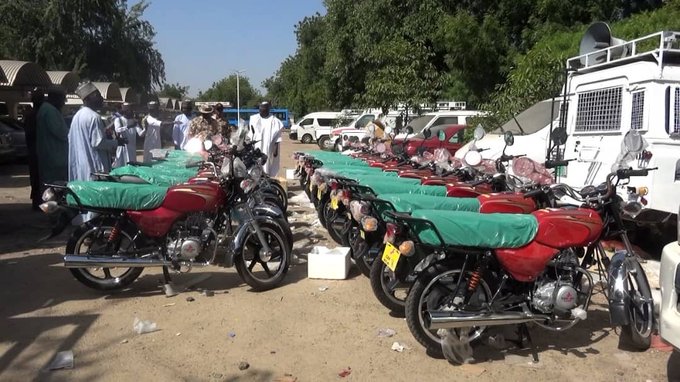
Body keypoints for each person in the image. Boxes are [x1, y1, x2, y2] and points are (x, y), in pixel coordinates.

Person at [68, 82, 119, 181]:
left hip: (82, 166)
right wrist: (117, 142)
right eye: (97, 96)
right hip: (94, 168)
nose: (101, 99)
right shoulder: (94, 117)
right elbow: (98, 143)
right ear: (87, 99)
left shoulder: (77, 116)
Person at [37, 86, 70, 184]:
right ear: (55, 98)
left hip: (50, 159)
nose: (63, 103)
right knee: (56, 189)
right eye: (62, 100)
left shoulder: (45, 109)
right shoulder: (50, 111)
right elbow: (63, 133)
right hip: (55, 160)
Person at [248, 101, 283, 177]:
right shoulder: (254, 119)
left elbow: (277, 138)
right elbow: (250, 134)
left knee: (266, 165)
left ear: (268, 109)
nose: (261, 111)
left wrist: (275, 149)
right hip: (256, 148)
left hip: (267, 149)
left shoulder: (275, 121)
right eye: (260, 109)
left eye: (263, 110)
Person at [24, 91, 43, 210]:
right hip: (36, 149)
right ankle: (37, 201)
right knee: (37, 177)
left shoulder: (33, 114)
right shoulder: (35, 115)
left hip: (34, 149)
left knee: (36, 177)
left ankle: (37, 201)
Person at [112, 103, 144, 168]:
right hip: (123, 147)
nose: (132, 112)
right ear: (125, 111)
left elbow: (140, 133)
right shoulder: (118, 120)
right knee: (121, 166)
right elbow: (117, 130)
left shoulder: (134, 121)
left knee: (132, 166)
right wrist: (128, 126)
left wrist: (146, 128)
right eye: (130, 110)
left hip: (132, 148)